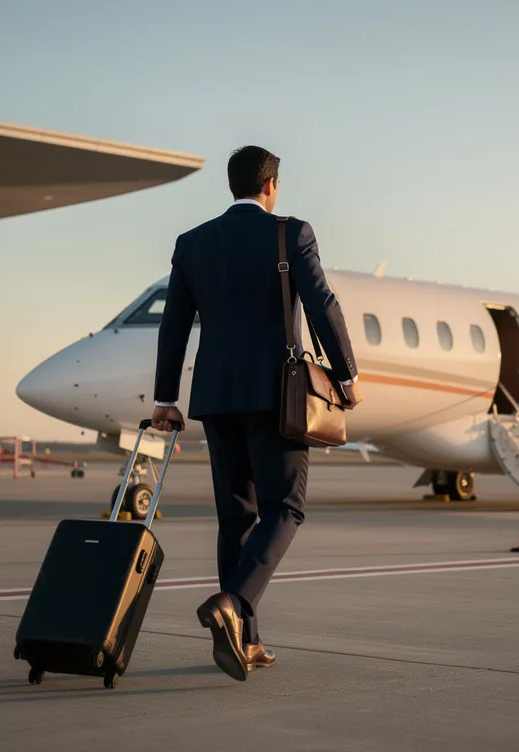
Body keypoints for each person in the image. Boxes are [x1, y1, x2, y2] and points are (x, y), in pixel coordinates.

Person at [150, 145, 362, 681]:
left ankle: (245, 640)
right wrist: (347, 374)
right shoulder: (290, 233)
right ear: (272, 185)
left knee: (236, 519)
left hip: (217, 399)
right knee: (286, 508)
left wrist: (165, 397)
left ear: (231, 186)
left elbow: (173, 325)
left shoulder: (193, 243)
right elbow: (321, 303)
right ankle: (234, 602)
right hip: (277, 395)